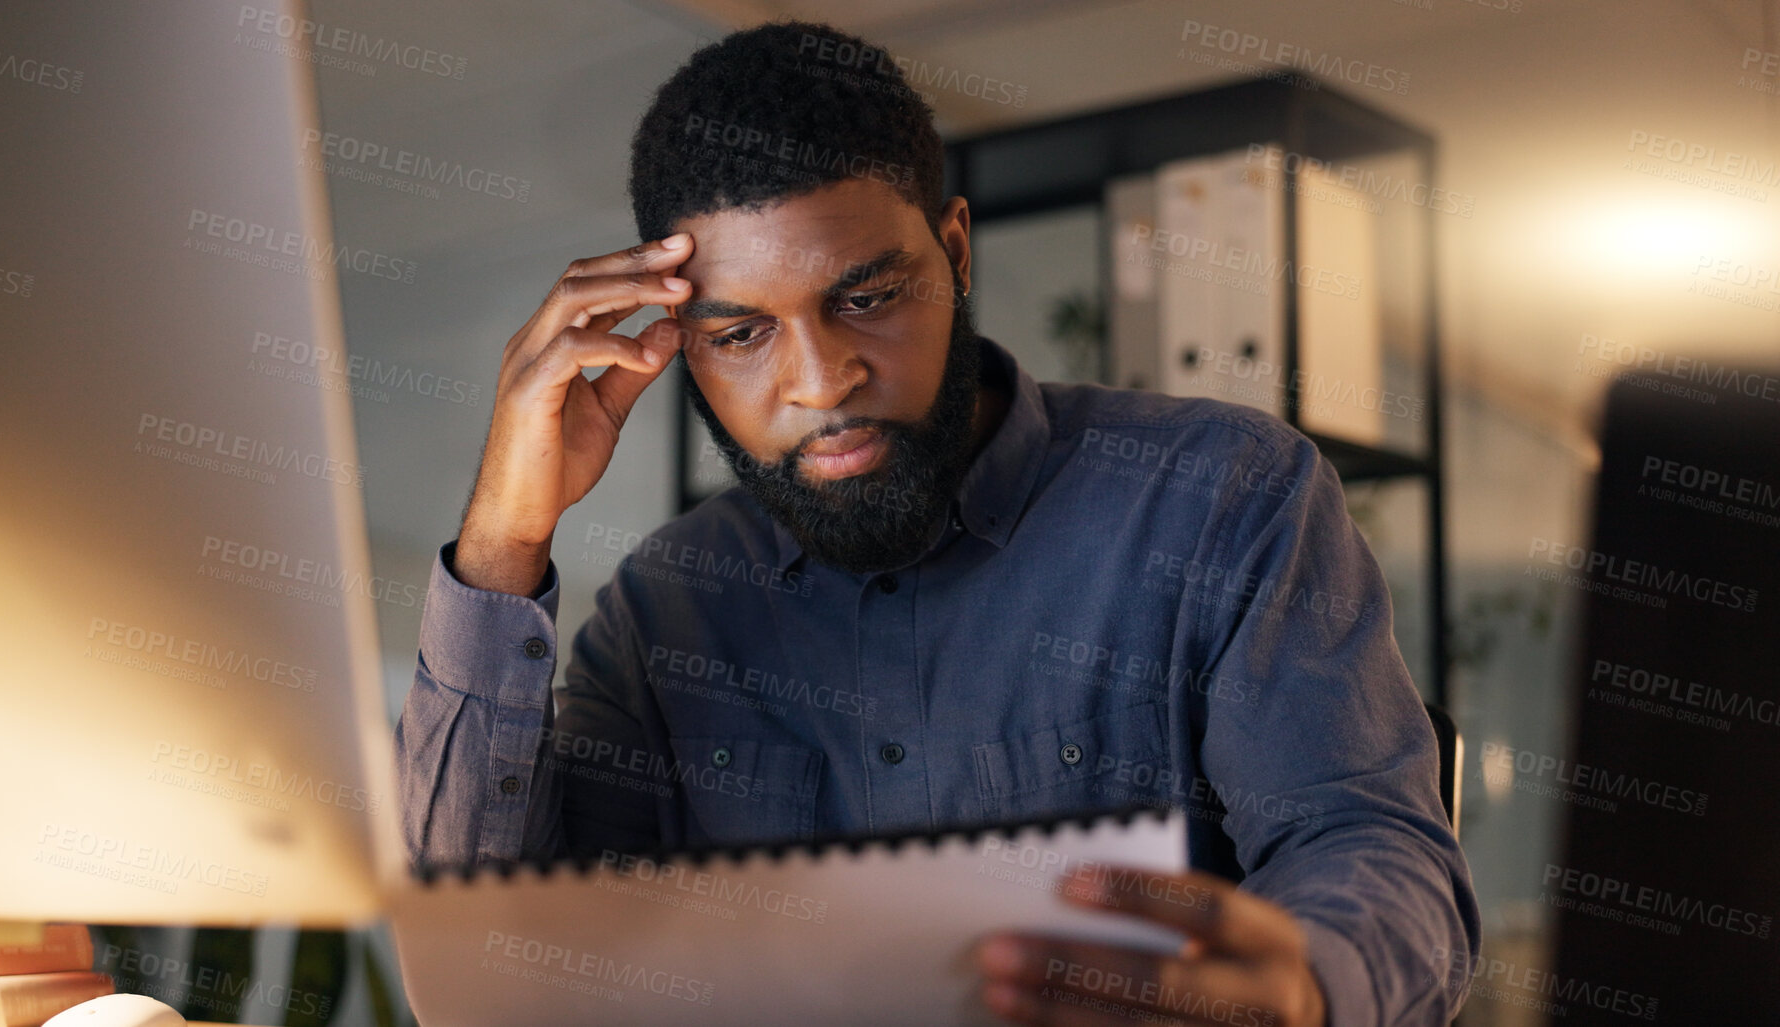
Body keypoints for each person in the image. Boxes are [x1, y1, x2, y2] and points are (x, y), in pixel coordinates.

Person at [395, 19, 1479, 1026]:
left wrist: (1305, 986)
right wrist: (503, 540)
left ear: (957, 253)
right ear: (677, 343)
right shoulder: (665, 605)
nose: (823, 382)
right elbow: (501, 962)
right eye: (741, 336)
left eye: (866, 298)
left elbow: (1372, 845)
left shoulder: (1219, 497)